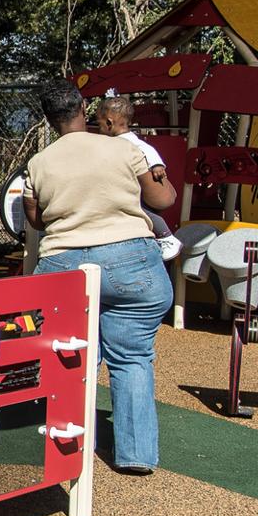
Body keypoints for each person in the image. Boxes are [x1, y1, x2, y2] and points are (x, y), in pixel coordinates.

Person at [23, 82, 178, 475]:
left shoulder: (39, 162)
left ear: (47, 118)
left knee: (73, 355)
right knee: (132, 357)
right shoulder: (124, 148)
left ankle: (71, 446)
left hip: (65, 266)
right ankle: (137, 455)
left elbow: (36, 219)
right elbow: (163, 200)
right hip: (130, 261)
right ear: (85, 108)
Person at [96, 95, 182, 261]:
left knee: (139, 209)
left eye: (99, 125)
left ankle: (167, 237)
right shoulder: (123, 142)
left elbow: (148, 150)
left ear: (109, 123)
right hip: (134, 189)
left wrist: (157, 165)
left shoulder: (128, 142)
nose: (99, 129)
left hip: (139, 192)